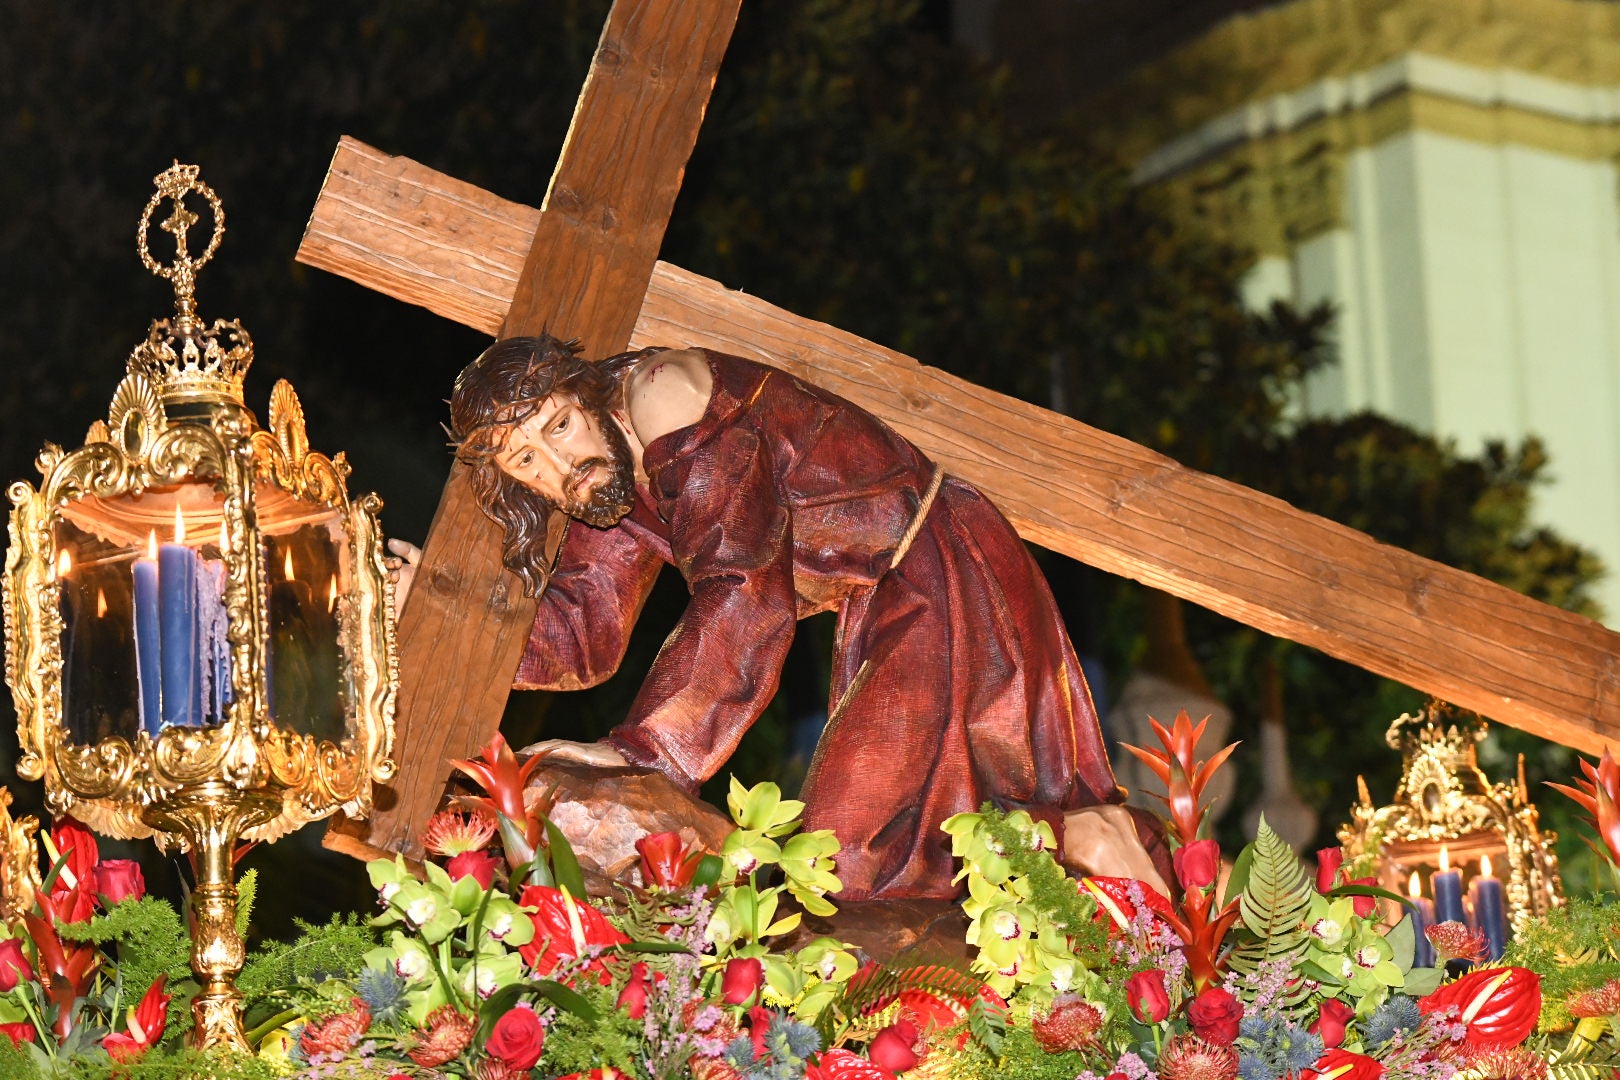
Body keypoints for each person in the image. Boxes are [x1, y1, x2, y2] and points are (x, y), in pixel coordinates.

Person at [393, 334, 1167, 901]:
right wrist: (428, 613)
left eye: (556, 428)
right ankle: (1087, 845)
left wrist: (645, 755)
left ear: (583, 391)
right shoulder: (606, 482)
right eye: (526, 462)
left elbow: (745, 588)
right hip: (884, 598)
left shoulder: (664, 396)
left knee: (854, 859)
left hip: (934, 564)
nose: (558, 466)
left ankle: (1096, 841)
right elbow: (582, 637)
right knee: (880, 858)